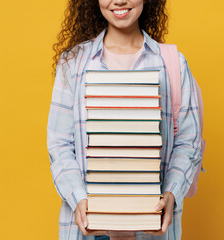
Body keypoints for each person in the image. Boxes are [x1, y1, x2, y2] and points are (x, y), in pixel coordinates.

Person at [47, 0, 202, 239]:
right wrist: (77, 197)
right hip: (88, 229)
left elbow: (188, 142)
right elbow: (59, 145)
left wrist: (171, 194)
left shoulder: (173, 63)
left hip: (152, 228)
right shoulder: (74, 62)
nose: (119, 0)